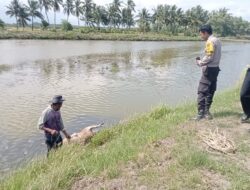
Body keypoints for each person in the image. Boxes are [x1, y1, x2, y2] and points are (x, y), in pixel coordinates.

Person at [195, 25, 222, 121]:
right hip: (215, 69)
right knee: (211, 90)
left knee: (202, 91)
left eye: (201, 34)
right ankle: (207, 112)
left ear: (205, 33)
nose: (201, 36)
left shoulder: (210, 41)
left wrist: (200, 63)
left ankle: (200, 114)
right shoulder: (217, 40)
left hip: (209, 70)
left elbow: (209, 56)